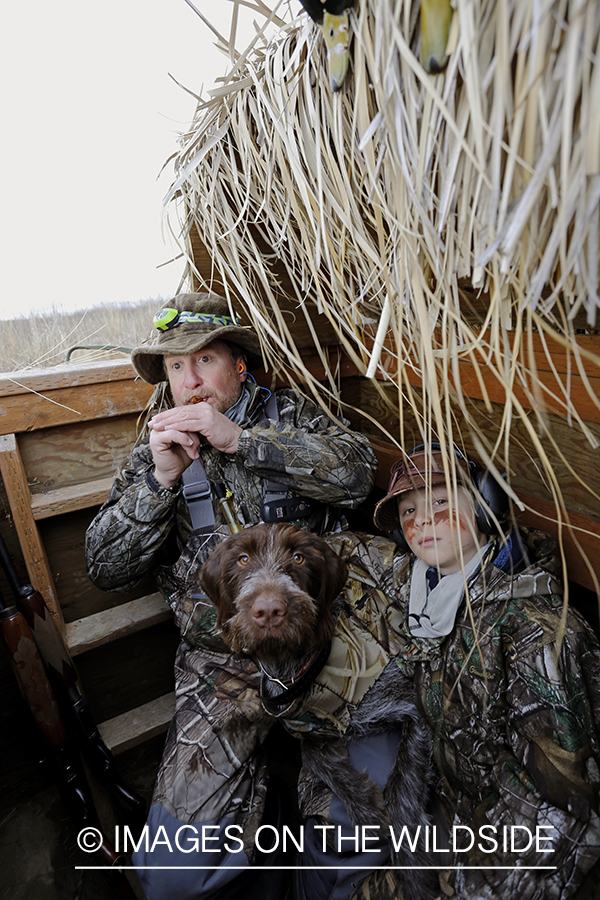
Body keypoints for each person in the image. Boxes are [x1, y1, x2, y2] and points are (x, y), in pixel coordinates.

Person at [85, 292, 378, 900]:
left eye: (204, 360)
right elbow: (105, 568)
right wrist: (161, 480)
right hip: (221, 666)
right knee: (171, 877)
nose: (190, 381)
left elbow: (357, 475)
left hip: (325, 647)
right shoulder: (156, 448)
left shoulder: (287, 416)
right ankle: (261, 841)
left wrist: (243, 441)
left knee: (364, 836)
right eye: (175, 367)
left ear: (239, 365)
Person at [323, 442, 600, 900]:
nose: (422, 521)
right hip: (455, 828)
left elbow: (564, 825)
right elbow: (356, 552)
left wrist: (459, 884)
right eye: (408, 511)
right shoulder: (431, 593)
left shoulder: (537, 636)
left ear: (486, 509)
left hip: (507, 869)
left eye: (440, 501)